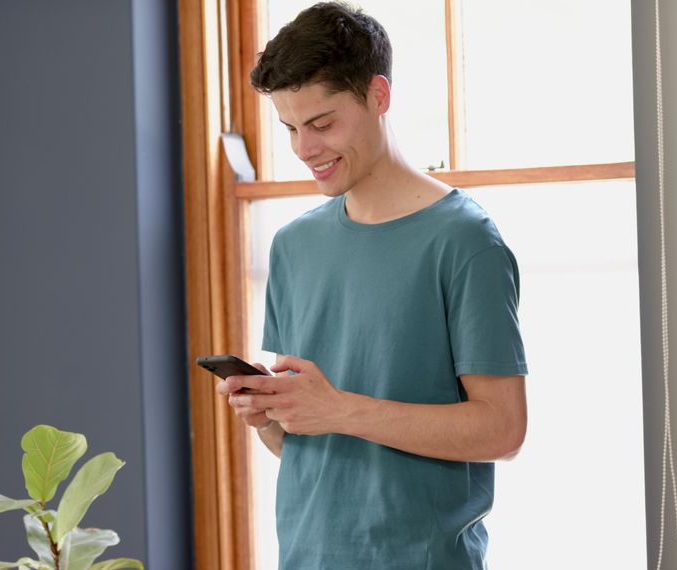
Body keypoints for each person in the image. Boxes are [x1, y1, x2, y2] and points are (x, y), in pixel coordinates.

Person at [215, 2, 528, 568]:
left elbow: (503, 429)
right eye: (289, 128)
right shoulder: (294, 246)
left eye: (322, 123)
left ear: (378, 96)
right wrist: (270, 416)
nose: (304, 150)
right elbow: (306, 447)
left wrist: (337, 409)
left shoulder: (464, 241)